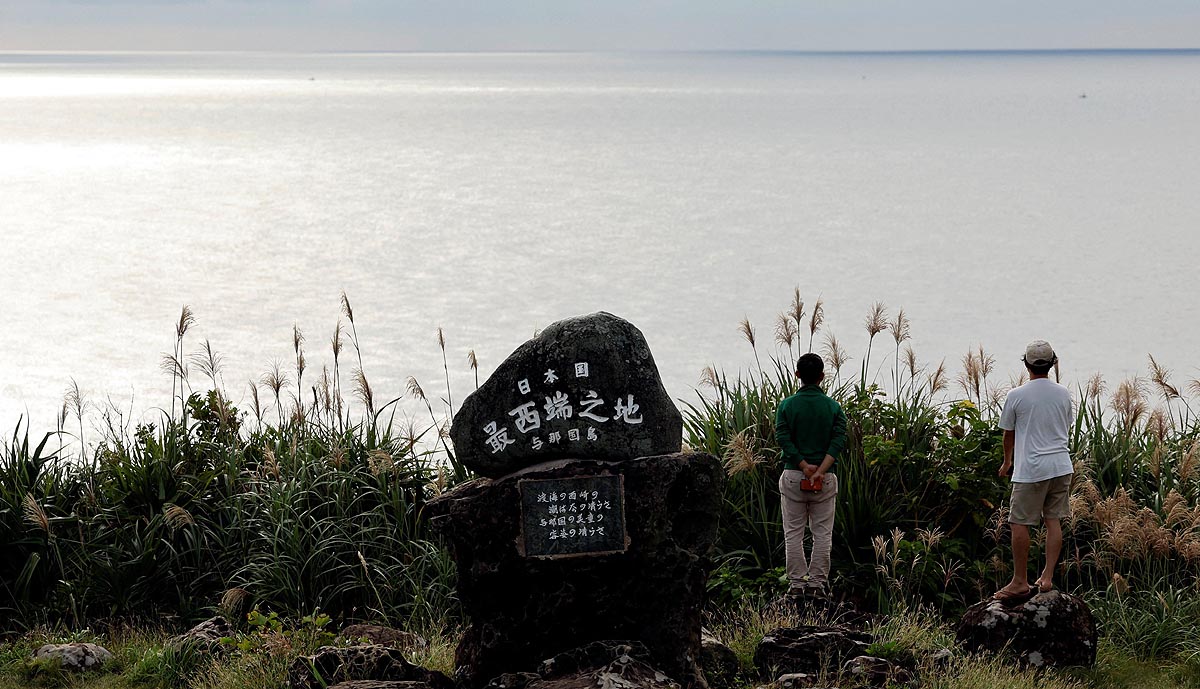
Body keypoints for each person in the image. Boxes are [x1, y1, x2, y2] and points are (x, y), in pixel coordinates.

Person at [993, 340, 1074, 601]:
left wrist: (1007, 462)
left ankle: (1020, 582)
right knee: (1053, 520)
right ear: (1052, 363)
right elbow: (1065, 424)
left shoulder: (1016, 395)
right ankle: (1047, 578)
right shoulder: (1063, 393)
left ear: (1026, 364)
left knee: (1019, 522)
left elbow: (1009, 434)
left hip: (1032, 469)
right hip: (1061, 466)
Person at [775, 352, 847, 596]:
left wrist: (804, 466)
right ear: (822, 377)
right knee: (822, 534)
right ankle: (817, 584)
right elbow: (838, 442)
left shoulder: (786, 405)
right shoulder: (834, 408)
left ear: (797, 375)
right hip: (825, 479)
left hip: (794, 475)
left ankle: (796, 584)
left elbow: (783, 438)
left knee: (793, 532)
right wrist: (820, 470)